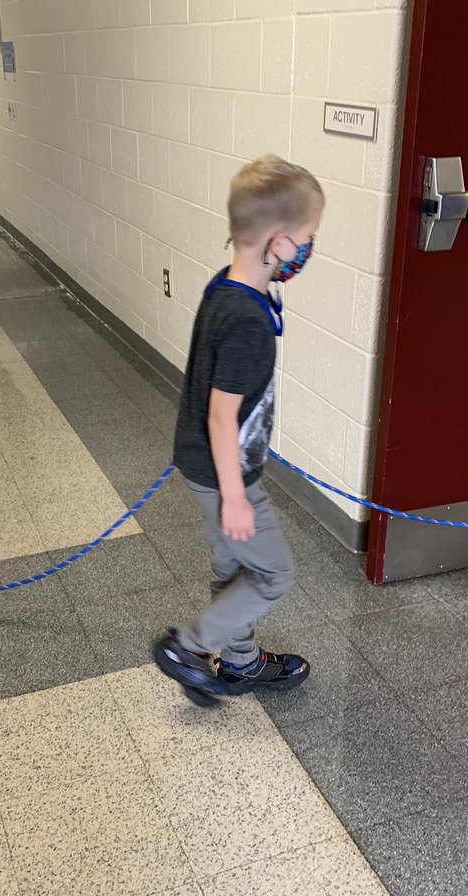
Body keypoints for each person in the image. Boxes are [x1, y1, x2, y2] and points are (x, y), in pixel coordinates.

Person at [153, 155, 324, 706]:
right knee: (273, 573)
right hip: (225, 475)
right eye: (306, 236)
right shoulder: (250, 324)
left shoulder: (226, 288)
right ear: (277, 243)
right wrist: (236, 499)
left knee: (232, 568)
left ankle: (243, 663)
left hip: (206, 466)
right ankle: (192, 648)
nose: (307, 248)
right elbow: (222, 416)